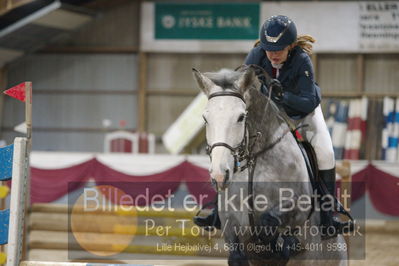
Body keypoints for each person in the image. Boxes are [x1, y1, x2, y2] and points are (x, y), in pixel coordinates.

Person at [194, 15, 353, 241]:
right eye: (269, 49)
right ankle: (219, 210)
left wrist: (281, 95)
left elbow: (307, 101)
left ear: (290, 46)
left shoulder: (301, 60)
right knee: (235, 143)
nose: (273, 54)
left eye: (278, 49)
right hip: (270, 114)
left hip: (303, 112)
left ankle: (328, 216)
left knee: (325, 152)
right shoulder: (256, 56)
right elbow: (242, 90)